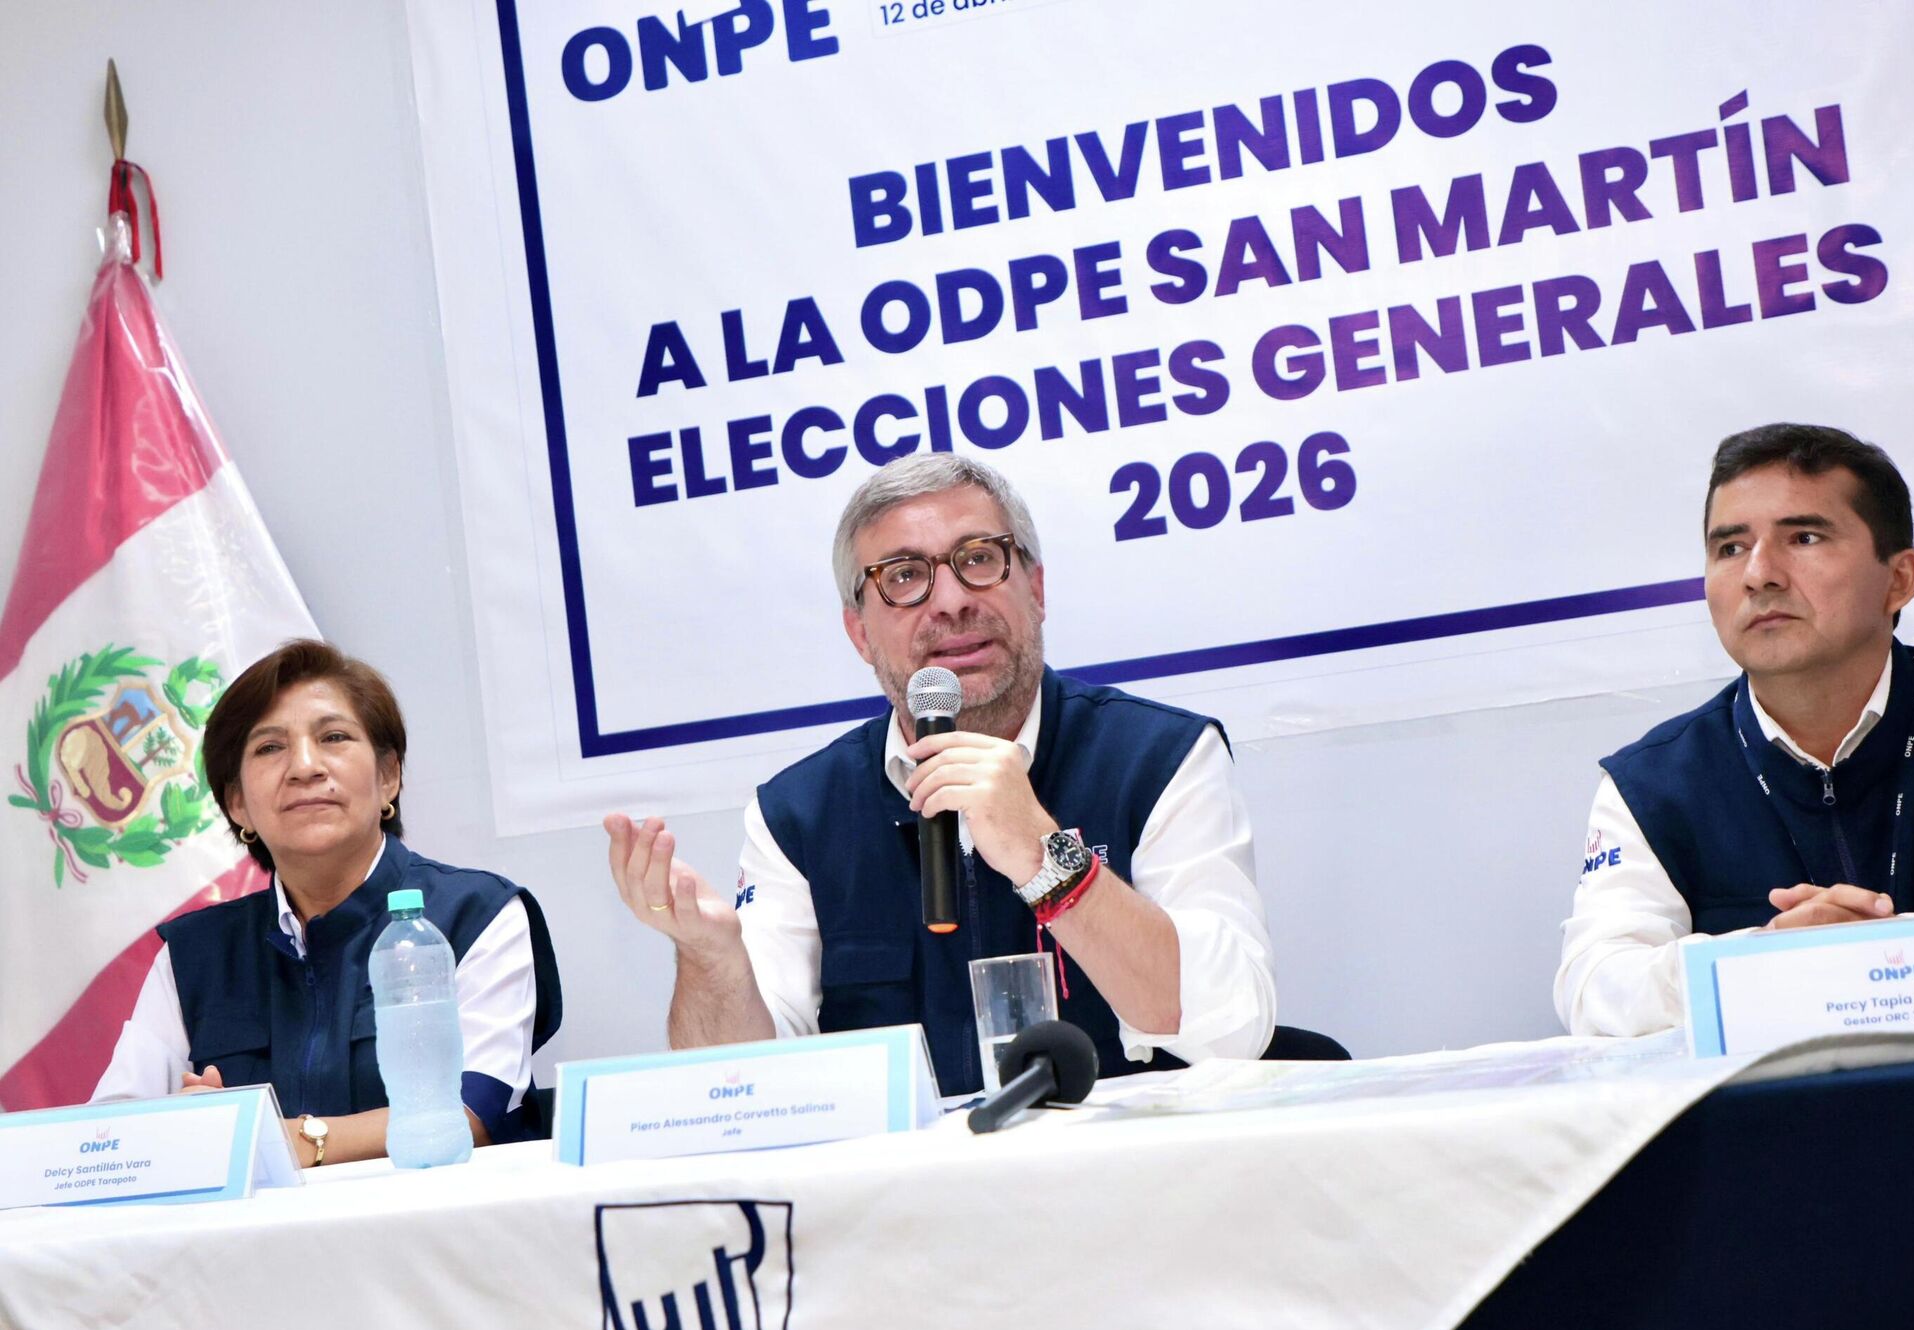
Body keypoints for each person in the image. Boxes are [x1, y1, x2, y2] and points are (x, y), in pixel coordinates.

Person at [606, 452, 1277, 1093]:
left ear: (1036, 589)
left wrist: (1047, 859)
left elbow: (1234, 1031)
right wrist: (712, 963)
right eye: (903, 576)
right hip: (904, 1176)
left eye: (979, 558)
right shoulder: (798, 816)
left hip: (1129, 1164)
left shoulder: (1159, 758)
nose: (951, 600)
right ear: (860, 633)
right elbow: (741, 1087)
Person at [92, 640, 562, 1162]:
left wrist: (258, 1138)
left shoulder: (476, 914)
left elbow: (470, 1112)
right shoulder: (194, 953)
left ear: (388, 776)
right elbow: (111, 1134)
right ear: (237, 803)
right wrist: (177, 1126)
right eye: (270, 748)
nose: (304, 766)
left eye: (333, 737)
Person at [1557, 423, 1914, 1036]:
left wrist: (1875, 961)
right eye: (1730, 548)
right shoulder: (1656, 781)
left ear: (1900, 579)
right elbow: (1595, 987)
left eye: (1803, 537)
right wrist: (1761, 961)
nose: (1759, 574)